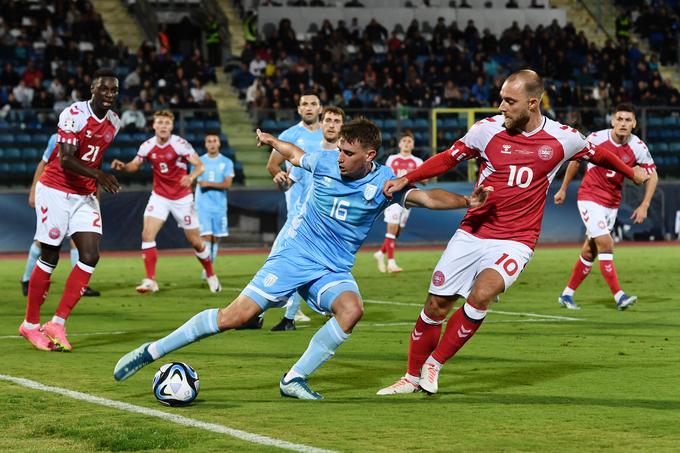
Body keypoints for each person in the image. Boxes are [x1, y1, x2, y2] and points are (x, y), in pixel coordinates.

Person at [113, 118, 492, 400]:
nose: (339, 157)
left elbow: (425, 197)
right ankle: (152, 351)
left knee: (351, 310)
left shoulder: (384, 183)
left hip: (333, 267)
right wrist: (271, 141)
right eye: (339, 149)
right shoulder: (325, 162)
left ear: (369, 156)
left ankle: (293, 378)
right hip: (294, 256)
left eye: (348, 152)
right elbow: (295, 154)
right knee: (234, 317)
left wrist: (465, 202)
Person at [376, 70, 649, 396]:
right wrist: (408, 178)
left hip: (517, 239)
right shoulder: (485, 130)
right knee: (436, 304)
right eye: (502, 98)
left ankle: (434, 364)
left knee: (482, 294)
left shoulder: (564, 138)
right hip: (473, 231)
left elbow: (598, 153)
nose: (501, 106)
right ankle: (410, 376)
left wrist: (629, 171)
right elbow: (448, 159)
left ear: (533, 103)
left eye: (510, 101)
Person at [20, 68, 122, 352]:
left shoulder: (115, 122)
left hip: (83, 193)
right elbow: (65, 160)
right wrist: (99, 176)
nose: (109, 95)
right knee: (50, 254)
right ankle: (29, 325)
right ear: (93, 88)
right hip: (54, 189)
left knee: (90, 255)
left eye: (114, 90)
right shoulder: (73, 114)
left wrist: (95, 184)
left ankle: (57, 323)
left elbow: (96, 159)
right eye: (104, 89)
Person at [554, 103, 657, 311]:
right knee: (606, 243)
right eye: (619, 119)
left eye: (628, 120)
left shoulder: (638, 146)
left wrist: (645, 204)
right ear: (612, 121)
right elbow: (575, 162)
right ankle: (620, 296)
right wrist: (563, 188)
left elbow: (653, 174)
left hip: (612, 203)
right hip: (590, 198)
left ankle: (567, 295)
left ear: (634, 124)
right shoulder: (596, 139)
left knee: (590, 251)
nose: (623, 123)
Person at [110, 110, 221, 294]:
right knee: (147, 235)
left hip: (182, 198)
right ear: (153, 125)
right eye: (160, 122)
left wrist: (191, 176)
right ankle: (150, 280)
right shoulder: (147, 146)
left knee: (196, 242)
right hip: (160, 196)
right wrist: (124, 167)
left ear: (171, 126)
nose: (163, 126)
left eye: (167, 123)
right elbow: (134, 166)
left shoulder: (180, 144)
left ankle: (210, 274)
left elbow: (200, 165)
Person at [269, 105, 345, 332]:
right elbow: (290, 182)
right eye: (328, 120)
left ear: (342, 126)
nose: (331, 125)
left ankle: (290, 315)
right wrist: (281, 180)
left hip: (333, 226)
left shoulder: (347, 158)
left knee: (329, 269)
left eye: (336, 121)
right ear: (322, 124)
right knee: (284, 261)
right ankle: (282, 316)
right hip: (302, 220)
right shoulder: (309, 156)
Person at [255, 92, 323, 329]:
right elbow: (272, 165)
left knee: (283, 258)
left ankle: (267, 314)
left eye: (313, 104)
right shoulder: (289, 135)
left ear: (320, 108)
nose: (309, 107)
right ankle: (287, 315)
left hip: (320, 210)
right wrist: (279, 174)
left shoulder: (330, 137)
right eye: (304, 104)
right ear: (298, 109)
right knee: (291, 260)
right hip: (296, 207)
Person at [21, 133, 101, 298]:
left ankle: (80, 286)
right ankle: (27, 279)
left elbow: (95, 172)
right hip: (55, 194)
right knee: (45, 241)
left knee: (75, 242)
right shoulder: (57, 138)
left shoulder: (96, 138)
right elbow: (43, 164)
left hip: (78, 196)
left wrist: (95, 200)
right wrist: (33, 191)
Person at [373, 130, 424, 273]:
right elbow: (387, 176)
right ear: (399, 144)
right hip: (393, 198)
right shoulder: (392, 159)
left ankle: (380, 253)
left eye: (409, 141)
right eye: (404, 141)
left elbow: (425, 180)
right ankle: (391, 262)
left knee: (398, 231)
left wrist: (415, 175)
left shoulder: (418, 162)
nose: (407, 143)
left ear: (413, 145)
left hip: (408, 199)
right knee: (392, 228)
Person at [195, 133, 235, 272]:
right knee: (205, 236)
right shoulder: (198, 162)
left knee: (215, 238)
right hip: (202, 206)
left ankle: (209, 267)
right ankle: (207, 271)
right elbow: (193, 181)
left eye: (214, 141)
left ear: (218, 143)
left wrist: (208, 184)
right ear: (205, 144)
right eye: (209, 141)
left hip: (219, 206)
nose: (212, 143)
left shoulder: (227, 162)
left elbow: (227, 184)